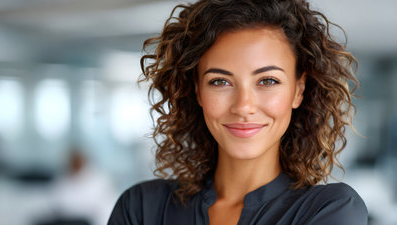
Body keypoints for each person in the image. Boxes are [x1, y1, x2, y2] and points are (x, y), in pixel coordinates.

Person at [108, 0, 368, 224]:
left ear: (299, 90)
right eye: (220, 82)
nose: (243, 106)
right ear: (197, 90)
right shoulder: (142, 208)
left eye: (268, 81)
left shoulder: (331, 210)